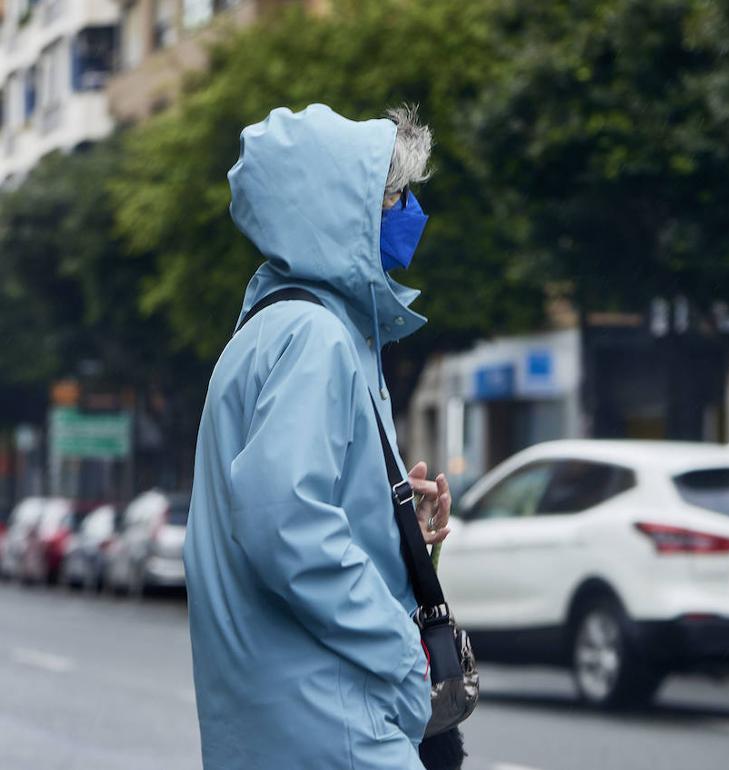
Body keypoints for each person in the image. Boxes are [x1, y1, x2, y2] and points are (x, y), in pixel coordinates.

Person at [184, 103, 452, 770]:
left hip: (291, 721)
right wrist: (400, 654)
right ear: (343, 210)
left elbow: (291, 512)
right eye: (396, 197)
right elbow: (283, 524)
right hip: (331, 724)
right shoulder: (314, 338)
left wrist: (396, 532)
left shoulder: (274, 332)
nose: (409, 214)